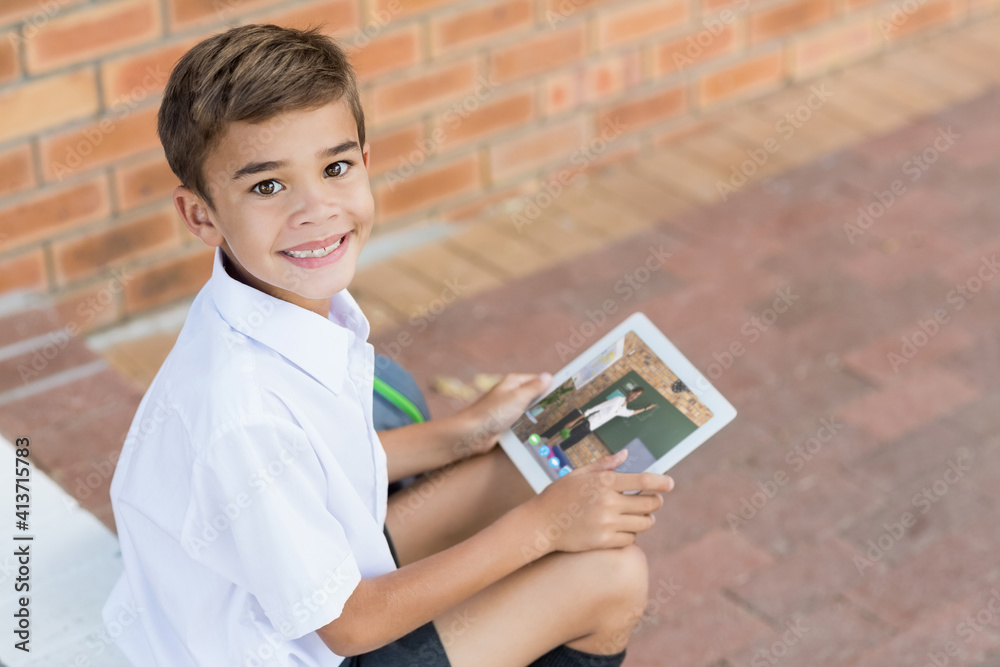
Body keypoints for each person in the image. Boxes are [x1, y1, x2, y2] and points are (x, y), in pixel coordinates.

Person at [101, 24, 674, 667]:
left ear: (365, 162)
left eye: (335, 167)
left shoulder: (265, 304)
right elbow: (345, 627)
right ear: (201, 214)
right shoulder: (240, 408)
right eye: (268, 186)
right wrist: (542, 530)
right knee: (609, 577)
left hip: (298, 587)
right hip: (311, 644)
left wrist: (461, 432)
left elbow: (313, 464)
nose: (315, 208)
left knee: (524, 463)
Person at [542, 388, 654, 453]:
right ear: (631, 392)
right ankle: (545, 449)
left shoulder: (623, 409)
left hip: (590, 429)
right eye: (635, 393)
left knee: (569, 442)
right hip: (588, 423)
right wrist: (575, 421)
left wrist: (646, 409)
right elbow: (596, 407)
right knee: (564, 437)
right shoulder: (617, 400)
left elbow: (632, 413)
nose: (635, 396)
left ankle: (550, 453)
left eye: (637, 396)